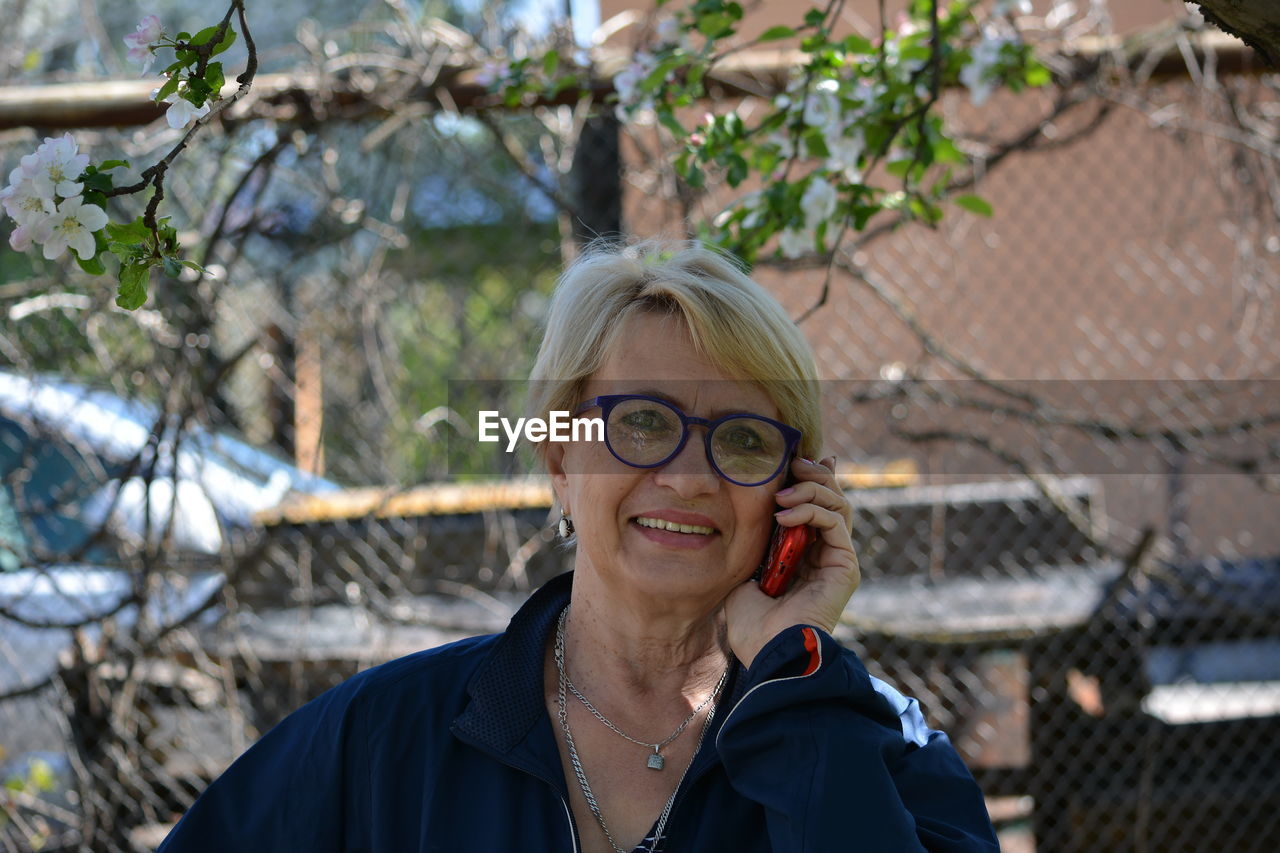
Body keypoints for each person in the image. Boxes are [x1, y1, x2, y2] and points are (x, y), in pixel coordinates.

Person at [157, 240, 998, 852]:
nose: (690, 476)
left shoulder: (879, 740)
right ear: (561, 460)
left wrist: (795, 670)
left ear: (796, 490)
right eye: (641, 423)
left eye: (742, 440)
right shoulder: (386, 735)